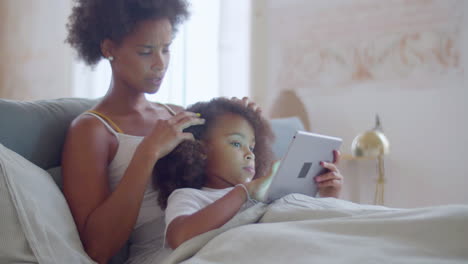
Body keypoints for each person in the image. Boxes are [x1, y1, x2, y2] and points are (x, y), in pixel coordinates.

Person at [61, 0, 227, 263]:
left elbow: (225, 181)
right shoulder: (92, 130)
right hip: (166, 255)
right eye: (146, 51)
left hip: (219, 237)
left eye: (166, 49)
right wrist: (148, 152)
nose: (160, 63)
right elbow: (97, 249)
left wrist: (245, 127)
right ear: (109, 48)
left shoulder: (175, 113)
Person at [152, 98, 344, 250]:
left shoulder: (264, 194)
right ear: (201, 150)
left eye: (252, 146)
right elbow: (179, 237)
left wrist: (328, 196)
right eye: (236, 143)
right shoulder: (189, 196)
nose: (249, 153)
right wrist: (244, 192)